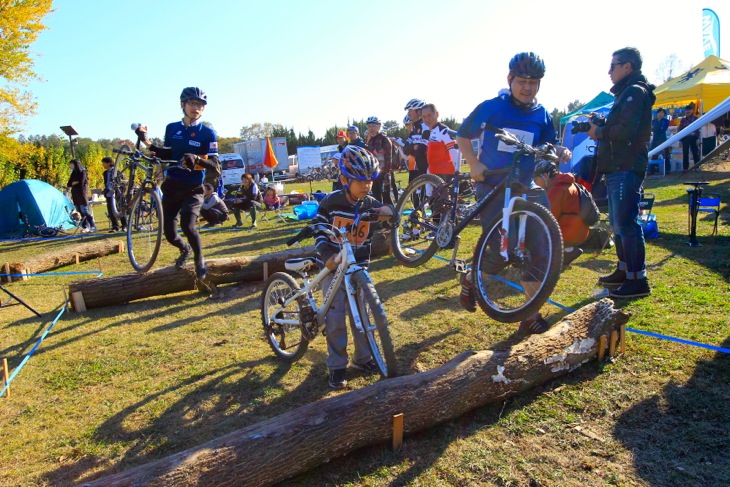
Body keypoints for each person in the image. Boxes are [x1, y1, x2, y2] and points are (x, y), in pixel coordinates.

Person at [455, 52, 571, 333]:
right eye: (522, 81)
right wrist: (474, 163)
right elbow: (462, 136)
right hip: (493, 185)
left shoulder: (541, 114)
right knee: (498, 254)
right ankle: (471, 277)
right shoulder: (491, 107)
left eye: (534, 82)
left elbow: (550, 144)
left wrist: (560, 152)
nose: (528, 88)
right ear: (510, 79)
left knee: (540, 247)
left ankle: (530, 315)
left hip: (526, 186)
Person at [312, 145, 395, 388]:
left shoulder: (371, 204)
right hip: (332, 269)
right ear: (344, 179)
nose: (366, 185)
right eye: (360, 180)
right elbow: (318, 227)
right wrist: (327, 254)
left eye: (370, 180)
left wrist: (391, 213)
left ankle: (363, 358)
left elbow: (392, 217)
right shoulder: (331, 202)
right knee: (335, 318)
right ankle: (337, 365)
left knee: (362, 314)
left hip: (359, 270)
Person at [587, 47, 654, 299]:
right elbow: (622, 127)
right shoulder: (628, 93)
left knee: (626, 224)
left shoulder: (634, 92)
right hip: (618, 167)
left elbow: (625, 131)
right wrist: (603, 126)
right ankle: (625, 271)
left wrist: (598, 132)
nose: (609, 71)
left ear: (628, 66)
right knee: (618, 224)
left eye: (613, 66)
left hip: (626, 166)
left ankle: (638, 279)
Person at [137, 87, 221, 280]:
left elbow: (215, 165)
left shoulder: (208, 133)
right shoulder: (172, 128)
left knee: (188, 225)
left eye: (200, 104)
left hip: (193, 188)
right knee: (169, 233)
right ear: (183, 105)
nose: (196, 108)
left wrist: (197, 159)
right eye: (192, 103)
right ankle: (185, 249)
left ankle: (200, 259)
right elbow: (167, 153)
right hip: (172, 186)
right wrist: (147, 143)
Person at [532, 159, 590, 267]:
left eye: (536, 179)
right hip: (580, 232)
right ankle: (568, 250)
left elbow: (549, 216)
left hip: (568, 233)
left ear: (545, 175)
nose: (535, 183)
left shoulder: (556, 189)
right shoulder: (569, 184)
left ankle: (566, 252)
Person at [421, 103, 460, 183]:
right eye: (424, 117)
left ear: (437, 114)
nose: (426, 119)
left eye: (429, 115)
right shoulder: (430, 132)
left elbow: (455, 153)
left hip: (446, 175)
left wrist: (456, 172)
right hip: (433, 175)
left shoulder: (444, 131)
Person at [365, 116, 395, 204]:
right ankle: (379, 215)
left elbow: (389, 157)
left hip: (384, 172)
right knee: (376, 195)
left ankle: (392, 216)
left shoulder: (384, 139)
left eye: (373, 126)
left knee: (386, 196)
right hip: (373, 172)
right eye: (369, 126)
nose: (371, 128)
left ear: (379, 126)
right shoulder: (370, 140)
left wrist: (386, 172)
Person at [402, 98, 429, 185]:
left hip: (430, 167)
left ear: (419, 112)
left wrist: (413, 148)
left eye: (410, 110)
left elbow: (420, 151)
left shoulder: (425, 126)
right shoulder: (415, 128)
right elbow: (405, 150)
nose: (408, 113)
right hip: (420, 167)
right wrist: (414, 147)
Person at [66, 159, 97, 233]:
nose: (70, 166)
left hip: (82, 193)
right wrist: (74, 183)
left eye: (71, 164)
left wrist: (75, 183)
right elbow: (69, 183)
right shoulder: (73, 173)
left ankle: (93, 226)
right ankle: (85, 226)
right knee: (79, 211)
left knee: (84, 211)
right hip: (75, 194)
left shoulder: (83, 172)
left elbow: (81, 183)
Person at [101, 156, 127, 232]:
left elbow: (123, 182)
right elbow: (106, 183)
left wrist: (120, 190)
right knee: (111, 210)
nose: (103, 165)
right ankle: (115, 226)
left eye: (104, 163)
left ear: (109, 163)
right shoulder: (105, 173)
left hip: (117, 193)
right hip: (109, 193)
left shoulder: (117, 172)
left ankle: (124, 225)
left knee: (120, 209)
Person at [678, 103, 700, 171]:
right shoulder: (683, 120)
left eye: (689, 110)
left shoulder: (696, 119)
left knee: (695, 152)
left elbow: (699, 129)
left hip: (694, 137)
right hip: (685, 138)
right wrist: (680, 140)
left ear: (692, 111)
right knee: (685, 153)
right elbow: (680, 130)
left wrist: (698, 138)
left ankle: (697, 167)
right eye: (687, 110)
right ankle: (685, 168)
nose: (688, 112)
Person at [650, 108, 672, 174]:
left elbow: (663, 129)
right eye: (659, 112)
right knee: (654, 155)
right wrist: (656, 128)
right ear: (657, 113)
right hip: (655, 139)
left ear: (664, 114)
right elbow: (652, 129)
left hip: (663, 139)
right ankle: (652, 170)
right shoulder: (653, 121)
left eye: (662, 113)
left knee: (666, 154)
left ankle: (668, 170)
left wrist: (656, 128)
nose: (660, 114)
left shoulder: (666, 121)